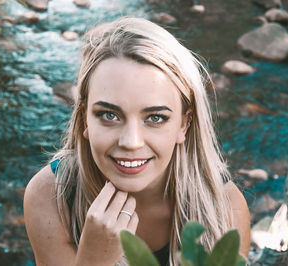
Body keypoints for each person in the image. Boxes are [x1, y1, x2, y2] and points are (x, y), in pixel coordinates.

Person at [24, 16, 250, 266]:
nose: (131, 142)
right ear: (85, 120)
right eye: (109, 115)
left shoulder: (224, 209)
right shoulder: (51, 196)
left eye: (155, 117)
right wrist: (93, 260)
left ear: (184, 124)